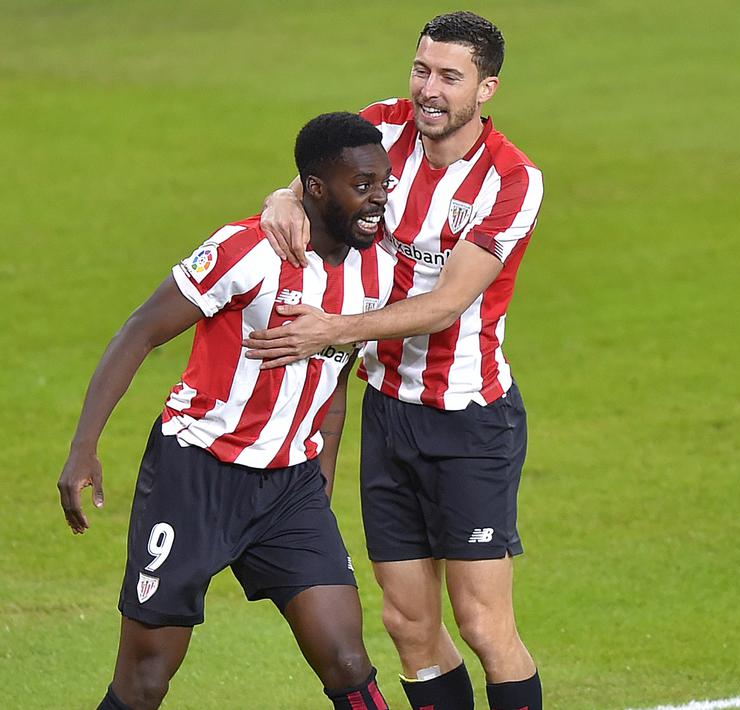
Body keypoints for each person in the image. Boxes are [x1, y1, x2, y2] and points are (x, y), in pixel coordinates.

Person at [247, 11, 544, 710]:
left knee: (481, 622)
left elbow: (447, 305)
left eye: (449, 76)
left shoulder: (510, 180)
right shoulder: (377, 130)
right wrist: (279, 198)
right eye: (421, 69)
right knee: (408, 624)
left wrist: (333, 330)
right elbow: (306, 183)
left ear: (486, 88)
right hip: (387, 411)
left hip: (468, 419)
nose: (428, 89)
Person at [56, 112, 398, 710]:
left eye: (384, 184)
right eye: (362, 185)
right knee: (147, 677)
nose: (378, 200)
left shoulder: (380, 268)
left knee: (348, 661)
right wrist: (84, 447)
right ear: (315, 189)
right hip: (196, 476)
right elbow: (140, 331)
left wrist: (321, 472)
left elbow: (337, 371)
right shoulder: (247, 251)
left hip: (289, 486)